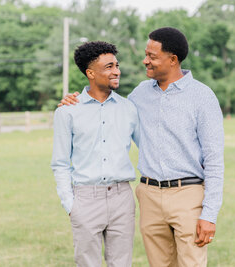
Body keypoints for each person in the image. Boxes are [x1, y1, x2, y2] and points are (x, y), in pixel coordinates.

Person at [60, 27, 224, 267]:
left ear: (173, 59)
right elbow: (108, 105)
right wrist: (75, 100)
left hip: (188, 195)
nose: (145, 60)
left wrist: (209, 214)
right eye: (146, 54)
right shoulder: (139, 94)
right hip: (149, 197)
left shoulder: (202, 96)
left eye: (152, 56)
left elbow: (214, 159)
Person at [51, 41, 139, 267]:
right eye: (109, 66)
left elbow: (149, 148)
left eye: (117, 65)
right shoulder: (67, 111)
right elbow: (60, 163)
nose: (117, 71)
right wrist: (70, 204)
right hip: (85, 200)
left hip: (122, 198)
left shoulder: (128, 108)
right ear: (90, 73)